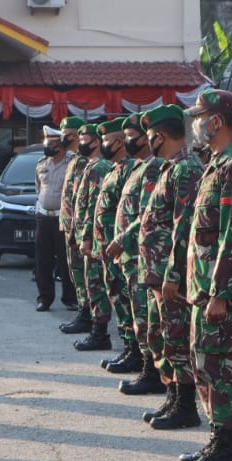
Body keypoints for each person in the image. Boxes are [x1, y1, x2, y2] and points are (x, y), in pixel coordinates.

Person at [179, 89, 232, 461]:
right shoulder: (216, 164)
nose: (195, 123)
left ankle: (227, 448)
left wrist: (222, 293)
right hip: (203, 286)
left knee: (218, 364)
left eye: (200, 116)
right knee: (203, 361)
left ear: (216, 121)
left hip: (216, 290)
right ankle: (215, 437)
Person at [139, 104, 204, 430]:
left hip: (170, 276)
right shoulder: (171, 168)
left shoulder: (186, 170)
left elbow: (185, 226)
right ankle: (172, 395)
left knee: (178, 340)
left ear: (160, 136)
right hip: (158, 275)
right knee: (164, 337)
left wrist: (173, 273)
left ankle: (186, 405)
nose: (148, 142)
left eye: (150, 136)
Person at [109, 113, 166, 395]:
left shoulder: (153, 169)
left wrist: (124, 238)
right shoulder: (139, 168)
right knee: (139, 315)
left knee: (147, 318)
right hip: (132, 254)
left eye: (132, 137)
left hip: (142, 254)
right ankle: (145, 364)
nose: (128, 142)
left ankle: (152, 373)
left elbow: (147, 214)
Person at [89, 119, 140, 369]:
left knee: (127, 298)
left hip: (122, 248)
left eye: (107, 141)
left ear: (120, 142)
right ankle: (128, 347)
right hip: (108, 246)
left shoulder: (130, 169)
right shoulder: (114, 168)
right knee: (117, 296)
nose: (103, 145)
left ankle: (136, 352)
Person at [72, 125, 114, 350]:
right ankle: (94, 326)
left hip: (96, 238)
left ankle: (100, 333)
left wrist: (87, 236)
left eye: (85, 139)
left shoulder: (100, 167)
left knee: (97, 285)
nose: (81, 144)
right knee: (91, 283)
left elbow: (93, 207)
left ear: (97, 142)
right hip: (89, 235)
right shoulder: (92, 166)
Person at [34, 125, 78, 312]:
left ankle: (70, 298)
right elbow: (38, 188)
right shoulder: (41, 163)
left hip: (63, 218)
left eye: (51, 144)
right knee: (42, 260)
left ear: (60, 146)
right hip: (44, 217)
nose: (48, 148)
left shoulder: (72, 163)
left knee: (65, 260)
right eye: (46, 144)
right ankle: (45, 298)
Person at [58, 117, 93, 333]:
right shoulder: (73, 159)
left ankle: (87, 315)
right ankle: (83, 311)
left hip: (79, 229)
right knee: (74, 273)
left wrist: (77, 229)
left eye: (67, 133)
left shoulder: (83, 161)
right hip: (70, 226)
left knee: (83, 274)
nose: (63, 137)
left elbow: (82, 197)